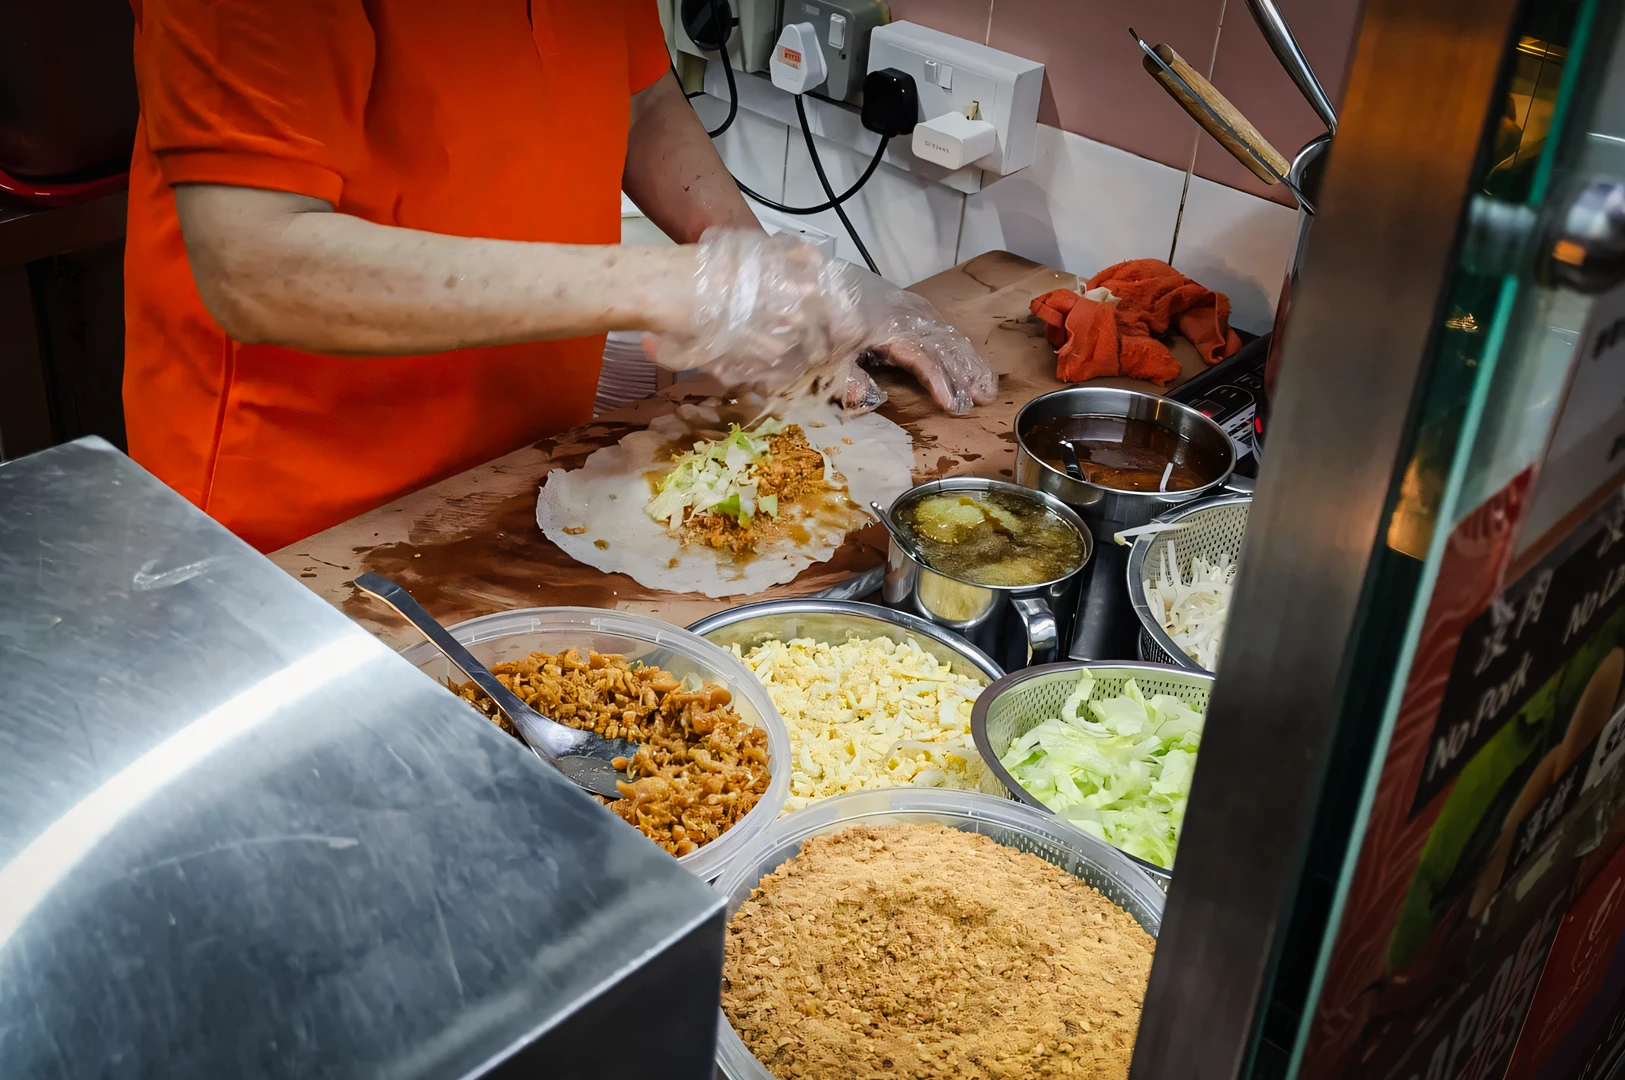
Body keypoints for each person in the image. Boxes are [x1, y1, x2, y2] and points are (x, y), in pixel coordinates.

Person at [125, 0, 996, 552]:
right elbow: (255, 261)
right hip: (300, 516)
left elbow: (640, 99)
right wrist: (672, 286)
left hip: (520, 459)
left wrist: (772, 274)